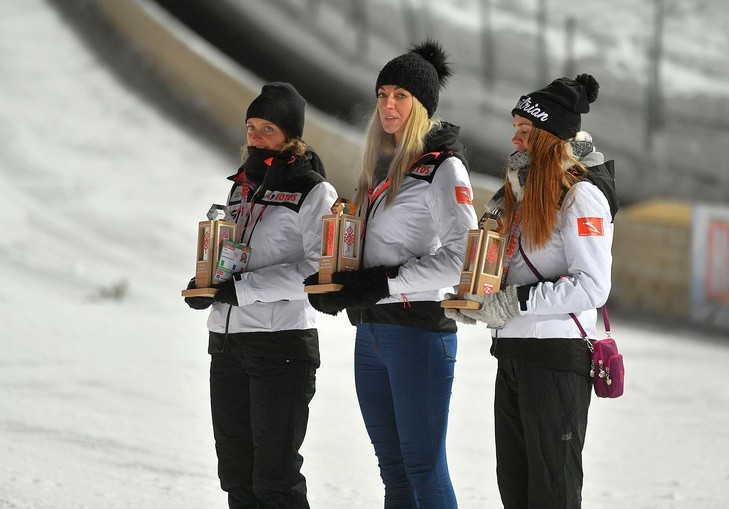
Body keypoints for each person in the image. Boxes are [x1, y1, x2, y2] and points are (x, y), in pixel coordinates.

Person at [306, 40, 477, 508]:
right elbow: (368, 252)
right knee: (394, 471)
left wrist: (381, 282)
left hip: (417, 334)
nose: (388, 105)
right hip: (374, 334)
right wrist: (340, 285)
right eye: (383, 94)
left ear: (421, 106)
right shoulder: (382, 171)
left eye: (400, 95)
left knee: (423, 467)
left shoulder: (444, 169)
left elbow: (464, 257)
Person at [445, 74, 618, 508]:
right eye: (516, 129)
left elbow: (593, 285)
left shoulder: (580, 197)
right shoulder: (520, 196)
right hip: (514, 354)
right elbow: (513, 270)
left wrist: (512, 303)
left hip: (556, 359)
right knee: (516, 491)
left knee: (552, 493)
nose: (514, 140)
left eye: (525, 131)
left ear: (547, 138)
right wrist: (479, 301)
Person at [184, 82, 338, 509]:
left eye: (266, 128)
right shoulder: (241, 188)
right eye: (250, 126)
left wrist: (242, 290)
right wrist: (207, 286)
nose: (254, 136)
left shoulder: (314, 191)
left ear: (291, 137)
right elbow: (230, 256)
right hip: (229, 343)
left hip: (281, 345)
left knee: (275, 477)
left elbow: (315, 268)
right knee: (236, 474)